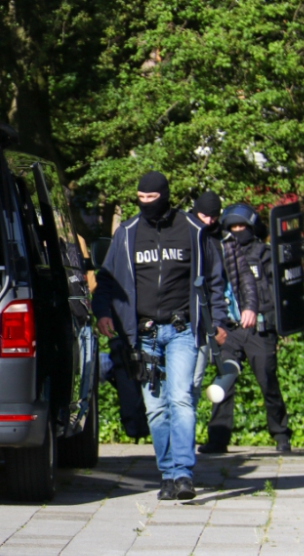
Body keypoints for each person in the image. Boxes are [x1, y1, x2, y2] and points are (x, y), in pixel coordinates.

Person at [92, 172, 226, 501]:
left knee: (180, 397)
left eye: (152, 198)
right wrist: (104, 312)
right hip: (142, 335)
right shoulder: (126, 234)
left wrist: (219, 320)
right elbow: (106, 280)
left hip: (182, 330)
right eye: (141, 198)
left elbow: (215, 280)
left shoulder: (195, 232)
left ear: (165, 196)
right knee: (155, 409)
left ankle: (182, 473)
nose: (146, 204)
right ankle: (166, 473)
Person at [205, 203, 292, 453]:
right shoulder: (220, 253)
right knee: (224, 381)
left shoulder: (264, 253)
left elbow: (276, 292)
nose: (237, 230)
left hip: (259, 330)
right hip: (230, 330)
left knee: (268, 381)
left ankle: (281, 435)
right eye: (232, 227)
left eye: (242, 226)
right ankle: (218, 439)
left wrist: (272, 325)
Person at [189, 192, 258, 428]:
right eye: (203, 216)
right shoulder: (183, 234)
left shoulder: (224, 239)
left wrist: (249, 307)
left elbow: (238, 279)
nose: (208, 221)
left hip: (220, 316)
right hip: (187, 318)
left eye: (214, 217)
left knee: (201, 381)